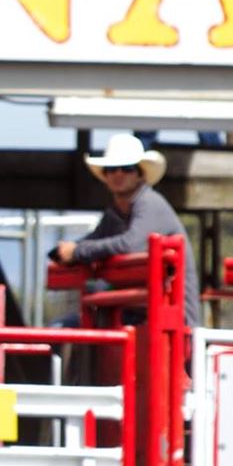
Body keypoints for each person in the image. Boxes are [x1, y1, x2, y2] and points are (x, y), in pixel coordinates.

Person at [51, 134, 200, 329]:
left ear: (140, 174)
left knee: (75, 325)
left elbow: (131, 244)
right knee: (64, 327)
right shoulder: (116, 213)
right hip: (136, 314)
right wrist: (73, 250)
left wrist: (77, 251)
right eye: (112, 169)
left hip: (173, 323)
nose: (118, 174)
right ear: (105, 175)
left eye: (127, 168)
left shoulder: (150, 203)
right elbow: (96, 240)